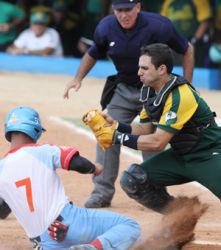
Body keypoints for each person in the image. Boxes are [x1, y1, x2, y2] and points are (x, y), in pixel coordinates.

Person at [63, 0, 194, 209]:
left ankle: (155, 192)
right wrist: (77, 78)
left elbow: (187, 49)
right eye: (119, 10)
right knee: (106, 131)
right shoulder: (106, 27)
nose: (123, 15)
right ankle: (102, 192)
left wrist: (187, 83)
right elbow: (93, 52)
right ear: (113, 10)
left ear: (138, 8)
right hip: (123, 89)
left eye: (128, 10)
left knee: (151, 137)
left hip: (154, 91)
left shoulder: (159, 26)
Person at [84, 43, 221, 214]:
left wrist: (115, 137)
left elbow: (158, 143)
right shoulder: (149, 91)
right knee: (133, 180)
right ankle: (180, 215)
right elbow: (145, 129)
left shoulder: (180, 94)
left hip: (208, 155)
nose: (139, 72)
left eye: (144, 68)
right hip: (181, 156)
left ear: (161, 69)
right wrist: (116, 125)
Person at [0, 106, 141, 250]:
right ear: (35, 129)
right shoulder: (43, 151)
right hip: (70, 224)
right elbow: (77, 163)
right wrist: (95, 168)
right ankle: (92, 248)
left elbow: (2, 210)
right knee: (129, 227)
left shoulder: (1, 169)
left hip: (44, 243)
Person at [160, 0, 213, 67]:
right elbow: (162, 21)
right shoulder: (168, 2)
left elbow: (205, 22)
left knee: (194, 68)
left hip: (194, 42)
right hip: (172, 43)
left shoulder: (199, 1)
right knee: (173, 68)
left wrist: (195, 41)